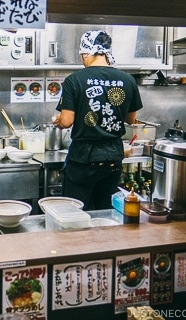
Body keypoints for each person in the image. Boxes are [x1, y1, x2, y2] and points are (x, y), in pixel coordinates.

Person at [52, 30, 143, 210]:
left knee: (75, 212)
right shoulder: (128, 80)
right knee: (105, 210)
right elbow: (132, 119)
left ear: (86, 53)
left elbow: (67, 121)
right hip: (113, 157)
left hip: (83, 159)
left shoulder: (74, 80)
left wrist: (58, 119)